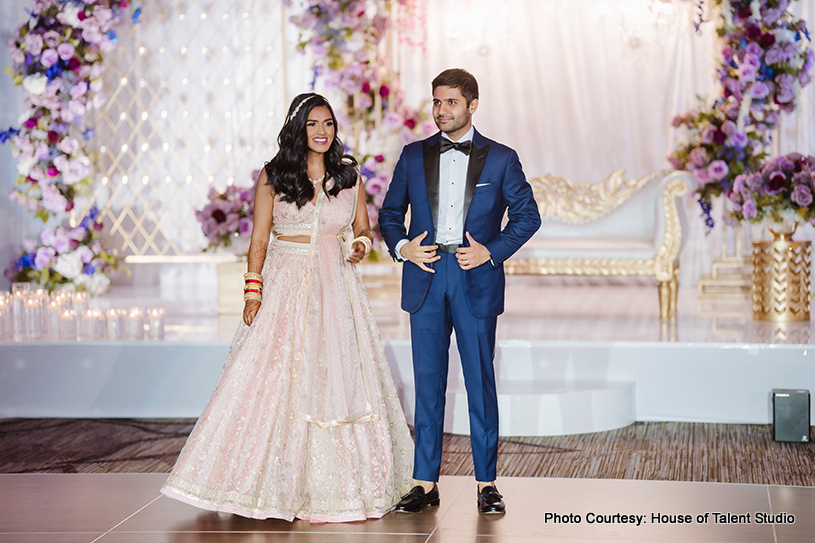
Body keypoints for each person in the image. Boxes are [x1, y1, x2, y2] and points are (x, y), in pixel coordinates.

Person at [161, 93, 414, 522]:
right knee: (274, 375)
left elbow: (363, 230)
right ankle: (255, 482)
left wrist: (358, 246)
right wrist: (253, 289)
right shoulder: (275, 175)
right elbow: (259, 238)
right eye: (314, 124)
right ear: (298, 128)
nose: (322, 132)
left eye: (329, 124)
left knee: (339, 376)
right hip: (286, 281)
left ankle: (339, 486)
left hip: (337, 286)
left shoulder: (348, 175)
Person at [379, 69, 541, 514]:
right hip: (425, 275)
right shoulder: (413, 156)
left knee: (479, 383)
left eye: (450, 102)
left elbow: (528, 216)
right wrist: (402, 247)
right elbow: (390, 212)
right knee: (427, 383)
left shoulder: (502, 158)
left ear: (472, 104)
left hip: (475, 276)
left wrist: (491, 252)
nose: (441, 111)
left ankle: (487, 483)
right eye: (436, 102)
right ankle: (424, 482)